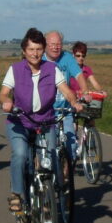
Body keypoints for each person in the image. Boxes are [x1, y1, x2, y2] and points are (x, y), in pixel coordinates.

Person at [0, 28, 82, 215]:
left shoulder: (51, 69)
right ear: (24, 51)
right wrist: (6, 101)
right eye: (31, 49)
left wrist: (74, 102)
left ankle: (47, 197)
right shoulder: (15, 70)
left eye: (38, 49)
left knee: (50, 160)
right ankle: (17, 194)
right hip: (19, 122)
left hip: (45, 123)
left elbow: (66, 89)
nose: (35, 53)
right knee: (21, 155)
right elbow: (3, 93)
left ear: (43, 50)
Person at [44, 31, 86, 161]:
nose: (56, 47)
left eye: (59, 44)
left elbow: (79, 75)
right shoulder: (40, 60)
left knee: (71, 146)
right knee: (47, 148)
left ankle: (66, 178)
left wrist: (85, 91)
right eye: (52, 44)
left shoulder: (67, 58)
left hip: (65, 110)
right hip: (46, 111)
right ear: (45, 45)